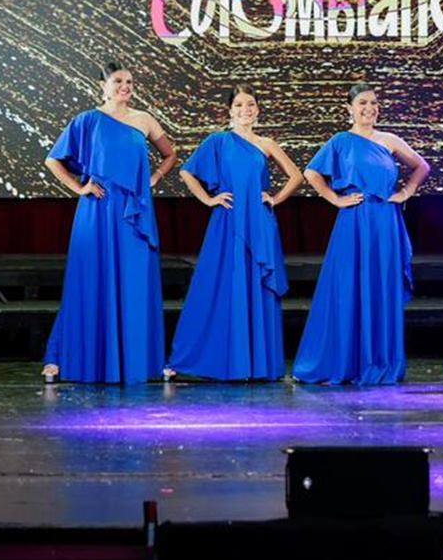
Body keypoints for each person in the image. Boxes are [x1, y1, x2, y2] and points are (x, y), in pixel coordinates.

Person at [42, 63, 179, 383]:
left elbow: (170, 155)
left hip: (134, 215)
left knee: (134, 281)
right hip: (97, 211)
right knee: (89, 279)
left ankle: (140, 358)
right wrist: (80, 187)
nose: (125, 86)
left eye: (129, 81)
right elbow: (53, 160)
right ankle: (63, 356)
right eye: (118, 81)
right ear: (102, 85)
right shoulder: (88, 120)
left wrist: (154, 178)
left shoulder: (144, 119)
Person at [291, 84, 429, 385]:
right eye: (363, 102)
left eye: (374, 103)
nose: (370, 108)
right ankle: (346, 360)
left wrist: (406, 191)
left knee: (381, 286)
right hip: (354, 221)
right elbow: (312, 173)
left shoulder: (389, 140)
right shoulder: (341, 141)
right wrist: (334, 198)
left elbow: (422, 166)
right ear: (350, 109)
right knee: (349, 287)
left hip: (385, 222)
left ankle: (379, 360)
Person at [166, 87, 302, 381]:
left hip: (259, 223)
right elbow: (186, 173)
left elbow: (297, 176)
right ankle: (207, 359)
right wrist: (208, 199)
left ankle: (256, 363)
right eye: (239, 105)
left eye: (250, 104)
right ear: (230, 111)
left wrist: (275, 199)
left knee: (256, 286)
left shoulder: (266, 143)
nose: (245, 109)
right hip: (228, 221)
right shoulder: (218, 141)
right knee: (217, 286)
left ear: (258, 109)